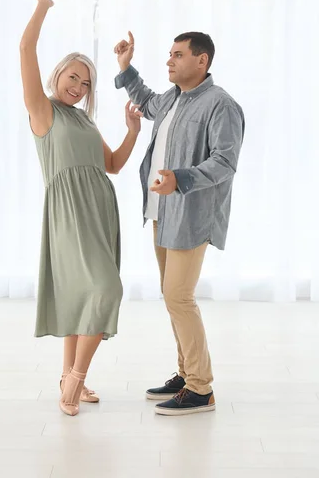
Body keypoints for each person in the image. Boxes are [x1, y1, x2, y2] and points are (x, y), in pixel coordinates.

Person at [20, 0, 142, 417]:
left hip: (98, 213)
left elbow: (112, 165)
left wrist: (132, 132)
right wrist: (42, 7)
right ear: (57, 75)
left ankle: (73, 378)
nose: (78, 85)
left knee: (80, 297)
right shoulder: (43, 110)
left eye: (86, 82)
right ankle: (72, 383)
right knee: (106, 290)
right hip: (69, 214)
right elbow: (25, 47)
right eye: (73, 76)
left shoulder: (84, 120)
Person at [114, 31, 245, 416]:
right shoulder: (173, 98)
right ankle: (186, 373)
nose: (169, 61)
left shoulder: (221, 105)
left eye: (178, 55)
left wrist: (181, 179)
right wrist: (126, 67)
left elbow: (225, 162)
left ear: (201, 61)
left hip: (191, 214)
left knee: (178, 297)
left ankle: (200, 389)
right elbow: (148, 103)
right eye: (169, 54)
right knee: (172, 298)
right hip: (161, 211)